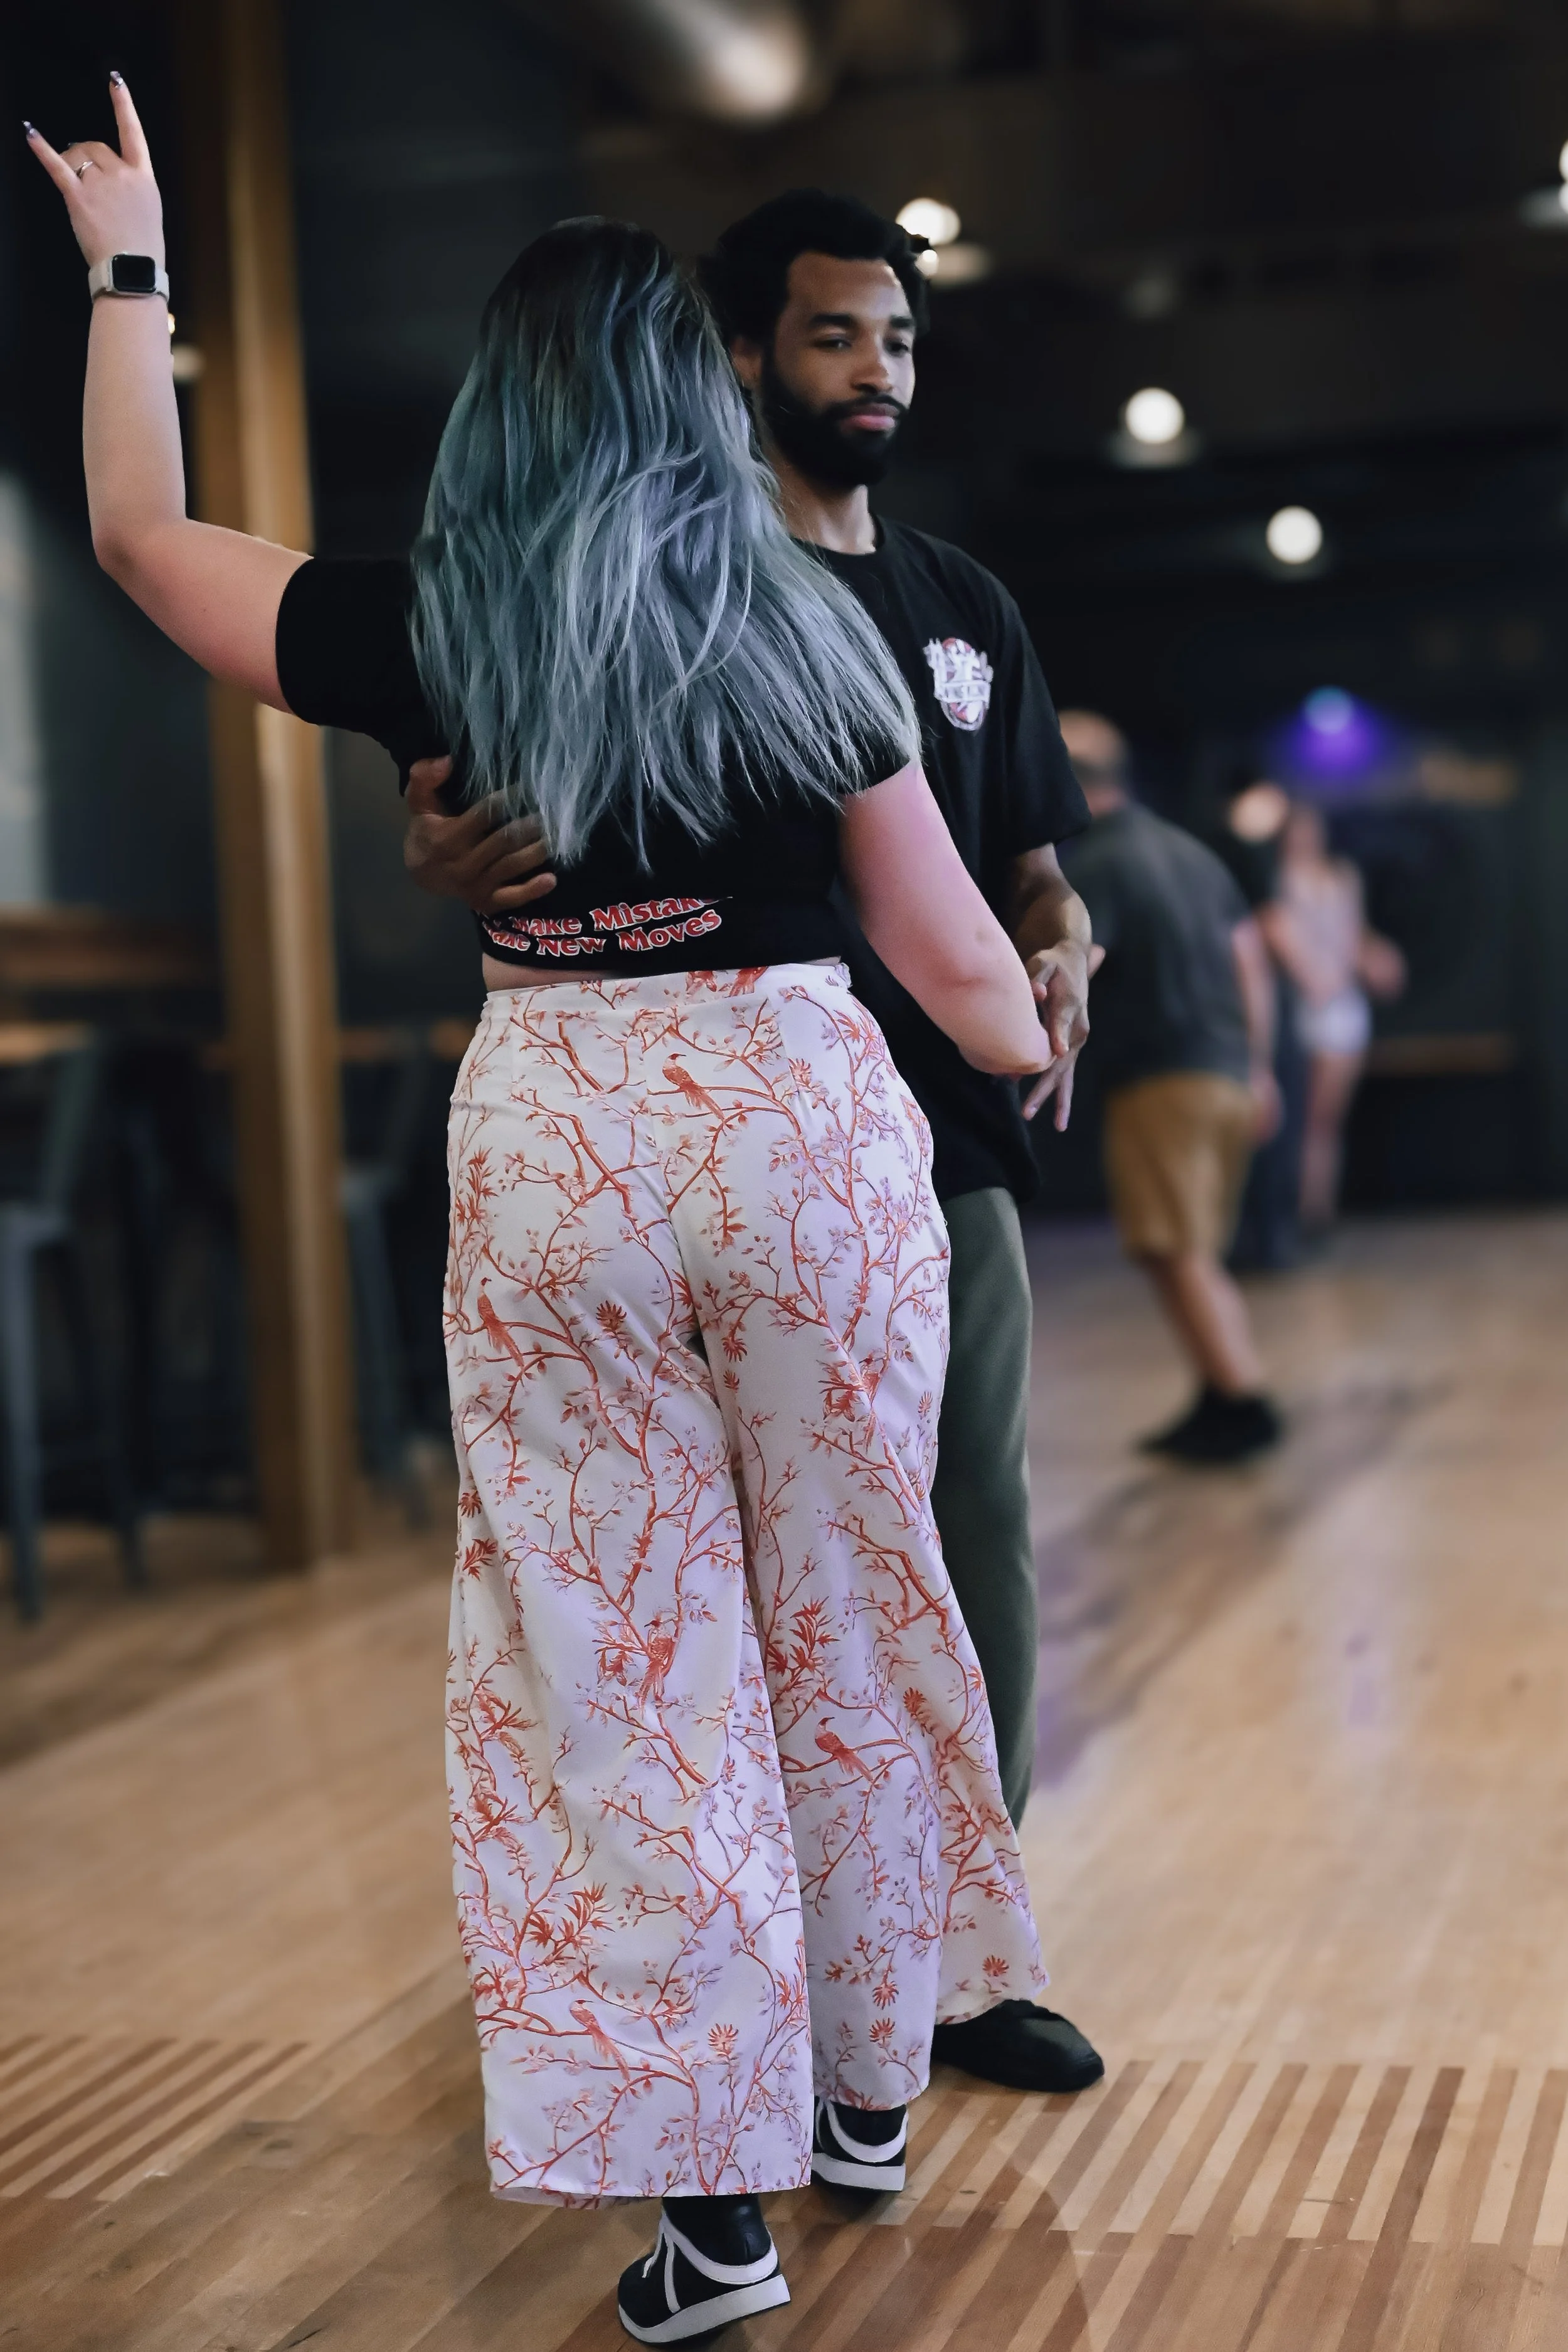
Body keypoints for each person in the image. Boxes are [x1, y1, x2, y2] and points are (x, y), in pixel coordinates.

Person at [31, 87, 1060, 2344]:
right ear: (698, 404)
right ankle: (871, 2085)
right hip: (800, 1120)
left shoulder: (431, 627)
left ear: (505, 412)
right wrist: (1021, 1057)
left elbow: (133, 533)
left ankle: (712, 2222)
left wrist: (134, 271)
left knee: (629, 1671)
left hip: (565, 1141)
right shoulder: (815, 636)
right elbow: (956, 951)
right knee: (858, 1598)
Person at [401, 189, 1106, 2099]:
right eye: (828, 336)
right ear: (729, 361)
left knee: (952, 1539)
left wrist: (1058, 939)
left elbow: (1027, 869)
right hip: (681, 1145)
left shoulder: (959, 610)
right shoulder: (627, 592)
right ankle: (762, 1990)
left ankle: (952, 1964)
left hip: (927, 1156)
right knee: (688, 1587)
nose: (870, 369)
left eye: (893, 339)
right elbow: (480, 812)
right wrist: (441, 845)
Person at [1057, 712, 1286, 1465]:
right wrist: (1258, 1065)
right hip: (1224, 1071)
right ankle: (1219, 1391)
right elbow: (1249, 962)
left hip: (1161, 1080)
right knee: (1189, 1249)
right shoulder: (1192, 853)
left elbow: (1072, 967)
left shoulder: (1094, 863)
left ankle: (1241, 1400)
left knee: (1175, 1248)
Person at [1277, 800, 1406, 1233]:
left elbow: (1356, 935)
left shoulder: (1343, 877)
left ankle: (1317, 1210)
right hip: (1300, 1008)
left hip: (1340, 1008)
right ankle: (1294, 1212)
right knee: (1301, 1116)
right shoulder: (1276, 881)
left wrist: (1375, 958)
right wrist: (1314, 977)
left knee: (1326, 1119)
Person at [1205, 775, 1310, 1273]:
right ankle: (1268, 1239)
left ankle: (1257, 1238)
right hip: (1254, 1005)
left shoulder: (1209, 848)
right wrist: (1316, 975)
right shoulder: (1244, 851)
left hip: (1222, 1010)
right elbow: (1268, 930)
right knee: (1270, 1117)